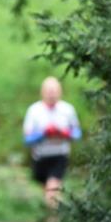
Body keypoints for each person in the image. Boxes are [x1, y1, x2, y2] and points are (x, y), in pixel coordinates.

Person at [23, 76, 81, 206]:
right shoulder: (34, 110)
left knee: (52, 188)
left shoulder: (68, 110)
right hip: (40, 157)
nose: (52, 94)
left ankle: (53, 217)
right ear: (42, 92)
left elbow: (77, 134)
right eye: (49, 91)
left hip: (60, 155)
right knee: (47, 188)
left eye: (54, 91)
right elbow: (27, 139)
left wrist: (64, 133)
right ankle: (54, 212)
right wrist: (44, 133)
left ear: (60, 92)